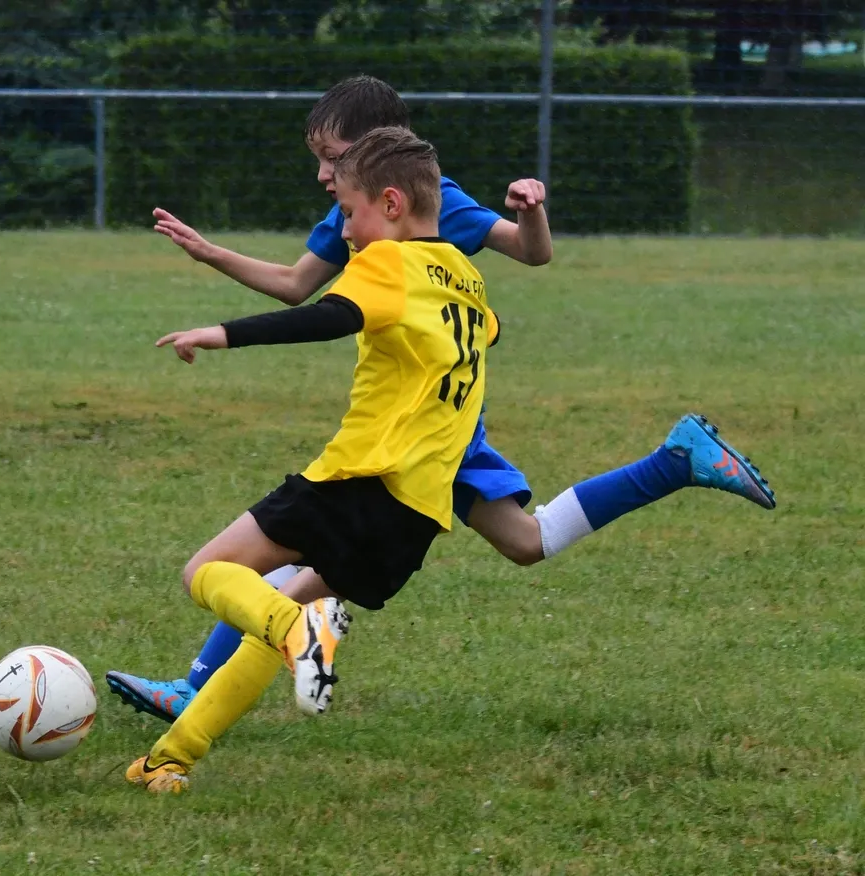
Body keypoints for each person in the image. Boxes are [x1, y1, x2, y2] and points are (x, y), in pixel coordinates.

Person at [108, 74, 774, 723]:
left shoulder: (435, 201)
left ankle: (201, 687)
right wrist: (211, 254)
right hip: (425, 416)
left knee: (309, 545)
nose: (323, 176)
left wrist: (531, 211)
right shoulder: (353, 212)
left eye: (332, 159)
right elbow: (295, 285)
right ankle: (674, 462)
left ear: (384, 164)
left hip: (427, 428)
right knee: (525, 541)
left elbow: (530, 253)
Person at [128, 126, 494, 793]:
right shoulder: (470, 282)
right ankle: (171, 759)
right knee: (268, 629)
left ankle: (301, 629)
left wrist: (223, 333)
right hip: (417, 518)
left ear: (390, 203)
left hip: (359, 482)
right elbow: (476, 341)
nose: (345, 232)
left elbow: (328, 317)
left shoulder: (390, 263)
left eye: (350, 213)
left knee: (205, 573)